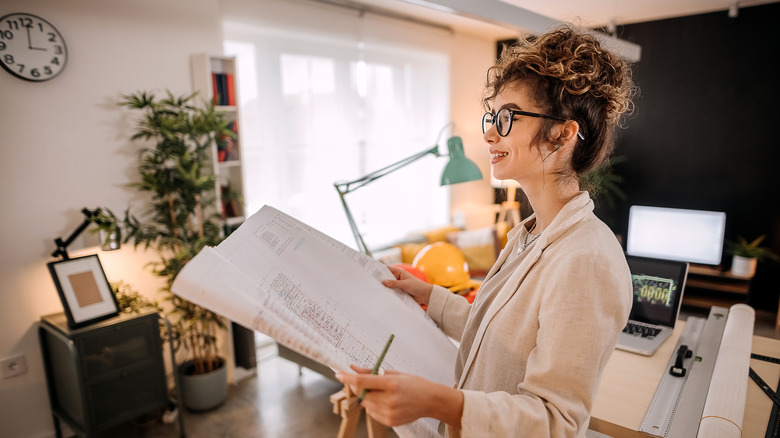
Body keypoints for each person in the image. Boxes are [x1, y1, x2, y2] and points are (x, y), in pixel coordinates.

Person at [336, 25, 636, 437]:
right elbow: (501, 341)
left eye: (508, 117)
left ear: (562, 134)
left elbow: (557, 421)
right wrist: (430, 297)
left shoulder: (586, 260)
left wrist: (437, 401)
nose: (490, 132)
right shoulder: (528, 236)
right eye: (492, 117)